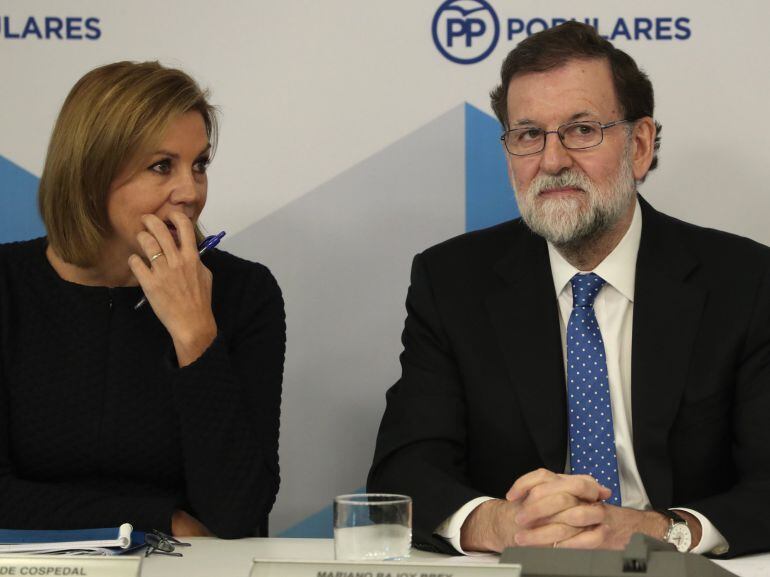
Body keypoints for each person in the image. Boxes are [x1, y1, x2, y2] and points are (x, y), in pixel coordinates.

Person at [368, 22, 770, 558]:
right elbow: (405, 469)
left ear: (640, 144)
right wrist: (503, 524)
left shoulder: (743, 281)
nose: (552, 161)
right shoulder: (452, 281)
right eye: (528, 134)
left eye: (582, 130)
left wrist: (660, 533)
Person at [0, 61, 285, 538]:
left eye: (199, 165)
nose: (190, 191)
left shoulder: (243, 292)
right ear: (92, 172)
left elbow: (238, 512)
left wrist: (196, 335)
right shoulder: (8, 286)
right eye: (161, 166)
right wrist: (163, 519)